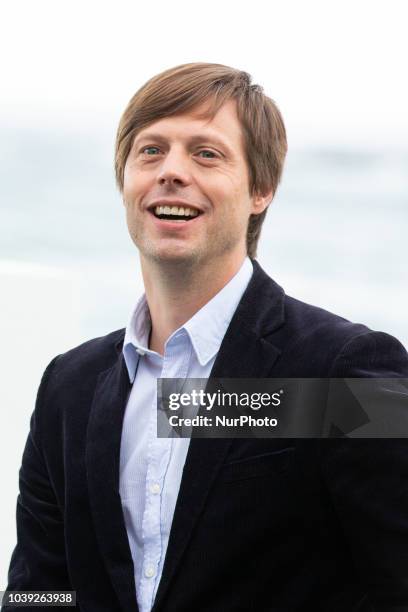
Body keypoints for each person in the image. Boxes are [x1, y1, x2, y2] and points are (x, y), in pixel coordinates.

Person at [3, 63, 408, 612]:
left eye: (206, 153)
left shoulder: (344, 367)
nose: (171, 171)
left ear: (261, 189)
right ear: (125, 180)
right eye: (150, 151)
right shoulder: (69, 386)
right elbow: (40, 593)